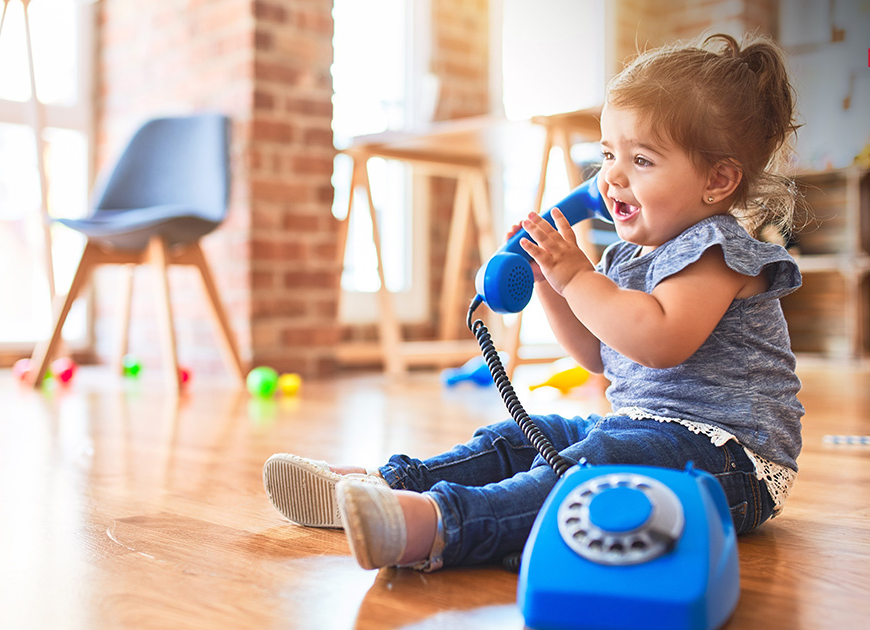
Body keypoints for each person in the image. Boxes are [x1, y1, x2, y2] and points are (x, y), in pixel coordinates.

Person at [263, 32, 805, 572]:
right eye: (609, 153)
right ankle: (384, 484)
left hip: (734, 464)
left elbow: (658, 341)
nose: (611, 177)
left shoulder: (717, 252)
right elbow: (599, 355)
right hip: (642, 432)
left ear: (719, 180)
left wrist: (574, 277)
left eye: (641, 160)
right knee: (525, 436)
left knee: (587, 469)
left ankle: (436, 525)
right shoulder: (625, 258)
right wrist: (548, 280)